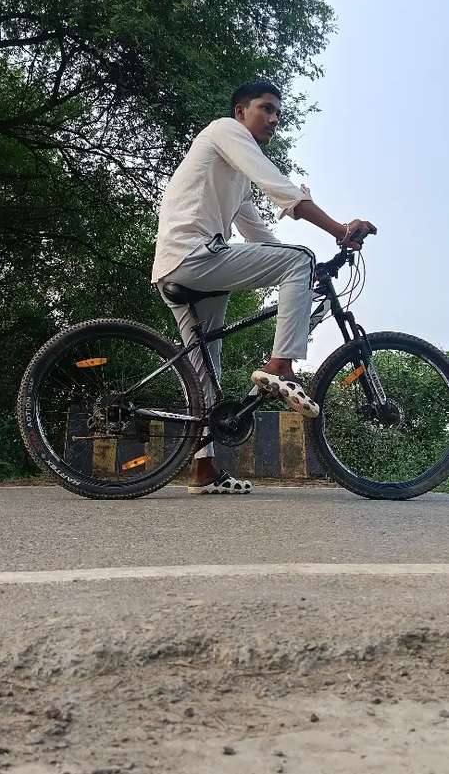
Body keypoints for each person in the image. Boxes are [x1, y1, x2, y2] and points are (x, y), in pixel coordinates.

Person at [152, 79, 376, 494]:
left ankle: (204, 471)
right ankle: (280, 367)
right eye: (266, 108)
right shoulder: (224, 130)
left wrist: (306, 275)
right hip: (194, 256)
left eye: (278, 113)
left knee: (205, 373)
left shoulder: (235, 178)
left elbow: (259, 235)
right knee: (299, 257)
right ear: (241, 112)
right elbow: (278, 187)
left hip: (178, 267)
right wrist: (338, 230)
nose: (274, 119)